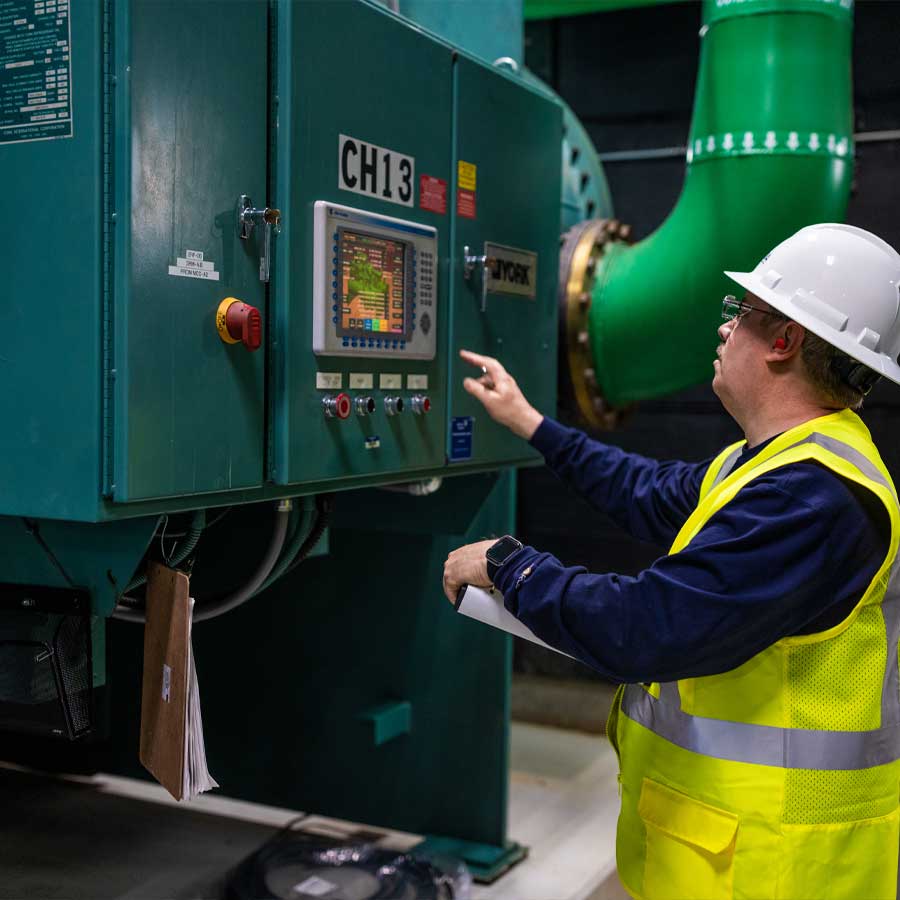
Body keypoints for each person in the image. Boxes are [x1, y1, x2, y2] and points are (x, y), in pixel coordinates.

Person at [442, 223, 900, 900]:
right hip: (723, 847)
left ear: (783, 341)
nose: (724, 331)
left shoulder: (813, 499)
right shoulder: (774, 465)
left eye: (740, 314)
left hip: (777, 867)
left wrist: (510, 565)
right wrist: (532, 423)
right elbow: (645, 491)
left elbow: (648, 627)